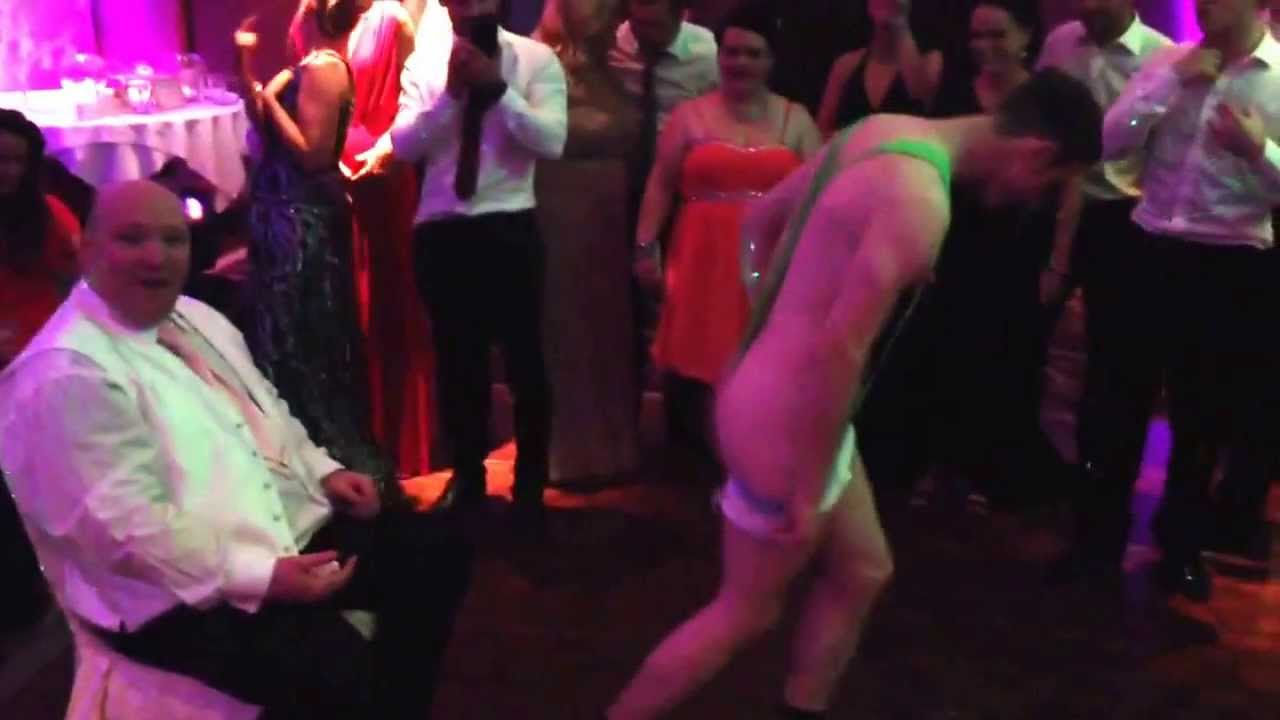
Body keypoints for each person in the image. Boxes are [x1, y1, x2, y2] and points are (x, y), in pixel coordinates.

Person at [607, 69, 1102, 719]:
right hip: (791, 420)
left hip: (769, 395)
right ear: (1038, 154)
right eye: (1052, 185)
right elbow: (842, 348)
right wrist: (809, 487)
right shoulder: (921, 202)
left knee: (863, 570)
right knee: (745, 610)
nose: (1038, 200)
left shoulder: (877, 131)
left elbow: (758, 223)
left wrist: (770, 325)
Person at [0, 180, 471, 719]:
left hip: (278, 531)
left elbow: (266, 410)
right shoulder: (66, 373)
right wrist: (263, 577)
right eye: (132, 238)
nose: (156, 256)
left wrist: (322, 470)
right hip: (168, 597)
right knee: (333, 666)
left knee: (437, 551)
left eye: (173, 239)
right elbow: (125, 532)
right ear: (87, 248)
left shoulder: (197, 317)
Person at [357, 0, 568, 525]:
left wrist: (497, 90)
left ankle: (530, 487)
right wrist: (452, 95)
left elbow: (552, 141)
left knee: (524, 362)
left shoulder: (535, 59)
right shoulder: (425, 63)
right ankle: (468, 479)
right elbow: (405, 146)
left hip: (509, 223)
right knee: (457, 364)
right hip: (442, 227)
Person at [1097, 0, 1280, 601]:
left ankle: (1179, 550)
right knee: (1118, 402)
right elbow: (1112, 140)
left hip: (1231, 259)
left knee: (1203, 417)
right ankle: (1096, 543)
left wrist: (1260, 149)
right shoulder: (1169, 63)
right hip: (1150, 244)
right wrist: (1170, 84)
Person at [635, 3, 820, 461]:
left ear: (772, 60)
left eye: (753, 53)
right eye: (732, 52)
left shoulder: (796, 120)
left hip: (769, 262)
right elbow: (660, 184)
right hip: (702, 260)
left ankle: (755, 460)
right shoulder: (689, 117)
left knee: (763, 363)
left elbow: (819, 196)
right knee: (699, 368)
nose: (740, 62)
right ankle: (701, 463)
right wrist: (644, 246)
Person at [1032, 0, 1171, 581]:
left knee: (1116, 375)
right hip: (1053, 204)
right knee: (1025, 342)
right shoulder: (1061, 43)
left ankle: (1102, 525)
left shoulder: (1162, 57)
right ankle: (1037, 484)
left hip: (1123, 219)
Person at [236, 0, 393, 485]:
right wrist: (245, 70)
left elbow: (312, 153)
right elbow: (266, 125)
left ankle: (322, 454)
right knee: (278, 333)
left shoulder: (325, 69)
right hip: (281, 212)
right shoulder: (304, 67)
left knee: (304, 336)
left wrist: (265, 95)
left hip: (302, 219)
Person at [307, 0, 437, 477]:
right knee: (335, 305)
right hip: (323, 182)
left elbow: (415, 103)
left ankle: (394, 441)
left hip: (378, 178)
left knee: (386, 303)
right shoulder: (308, 17)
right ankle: (338, 438)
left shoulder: (391, 19)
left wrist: (385, 150)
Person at [534, 0, 644, 483]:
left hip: (610, 212)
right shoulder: (539, 63)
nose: (616, 25)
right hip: (560, 205)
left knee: (608, 322)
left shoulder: (618, 65)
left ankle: (615, 444)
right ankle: (569, 451)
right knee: (566, 322)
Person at [0, 108, 81, 633]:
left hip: (40, 358)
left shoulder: (48, 215)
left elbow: (79, 289)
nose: (5, 171)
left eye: (15, 161)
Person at [816, 0, 942, 135]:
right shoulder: (846, 65)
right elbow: (821, 131)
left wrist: (899, 22)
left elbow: (921, 96)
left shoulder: (930, 61)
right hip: (852, 148)